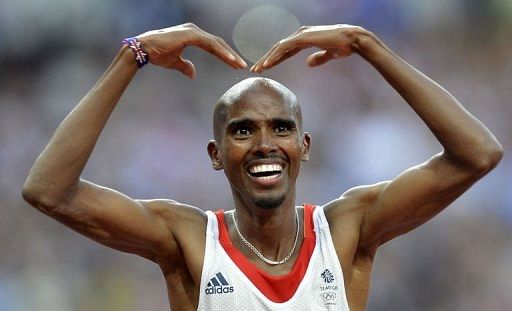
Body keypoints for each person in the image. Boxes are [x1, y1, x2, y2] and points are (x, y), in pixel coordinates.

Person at [22, 22, 503, 310]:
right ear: (215, 154)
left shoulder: (345, 230)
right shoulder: (187, 240)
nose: (264, 144)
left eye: (280, 128)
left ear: (304, 145)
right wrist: (134, 55)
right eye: (242, 130)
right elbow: (50, 191)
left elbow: (477, 154)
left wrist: (366, 44)